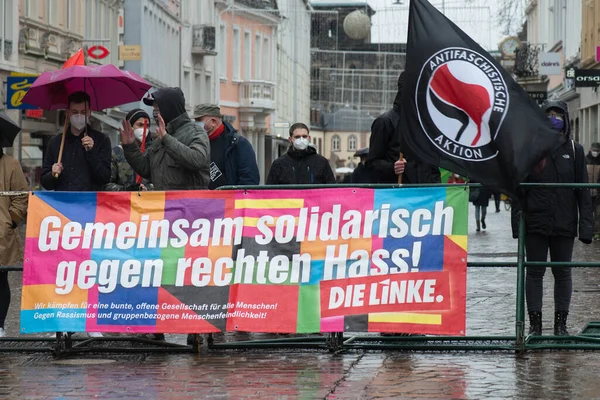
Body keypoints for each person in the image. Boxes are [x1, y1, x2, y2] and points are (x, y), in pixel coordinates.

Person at [512, 100, 592, 336]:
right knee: (534, 272)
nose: (554, 119)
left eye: (558, 115)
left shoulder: (576, 151)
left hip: (564, 222)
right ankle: (535, 326)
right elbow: (518, 189)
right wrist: (518, 224)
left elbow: (583, 191)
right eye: (549, 115)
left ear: (566, 120)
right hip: (535, 221)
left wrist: (585, 228)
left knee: (562, 272)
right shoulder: (530, 148)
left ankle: (560, 326)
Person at [121, 87, 211, 190]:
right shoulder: (162, 137)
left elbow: (197, 159)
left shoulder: (195, 132)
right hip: (165, 202)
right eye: (154, 109)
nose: (154, 113)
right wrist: (130, 147)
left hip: (189, 203)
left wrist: (166, 138)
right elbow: (146, 168)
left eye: (157, 108)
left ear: (169, 108)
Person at [367, 72, 441, 185]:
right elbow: (371, 164)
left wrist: (436, 187)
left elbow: (432, 165)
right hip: (397, 195)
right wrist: (392, 168)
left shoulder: (424, 124)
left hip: (426, 195)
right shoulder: (385, 122)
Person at [41, 91, 112, 191]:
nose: (79, 116)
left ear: (89, 112)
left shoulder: (102, 140)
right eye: (74, 112)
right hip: (63, 204)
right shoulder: (56, 142)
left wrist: (91, 152)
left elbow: (104, 178)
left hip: (89, 204)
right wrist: (52, 174)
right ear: (68, 112)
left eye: (83, 112)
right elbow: (45, 184)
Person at [193, 104, 259, 188]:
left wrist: (233, 197)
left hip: (229, 200)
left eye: (199, 120)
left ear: (213, 121)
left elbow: (249, 179)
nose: (196, 124)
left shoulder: (238, 144)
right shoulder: (197, 142)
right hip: (201, 199)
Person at [0, 150, 29, 338]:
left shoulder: (10, 164)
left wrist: (10, 220)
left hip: (2, 233)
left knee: (0, 280)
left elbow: (21, 195)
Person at [266, 123, 335, 185]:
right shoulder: (279, 164)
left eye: (304, 136)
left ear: (309, 138)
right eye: (297, 137)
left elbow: (331, 188)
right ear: (290, 139)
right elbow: (270, 191)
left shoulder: (321, 162)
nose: (301, 139)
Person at [106, 109, 152, 191]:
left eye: (147, 126)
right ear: (130, 126)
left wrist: (147, 189)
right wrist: (126, 190)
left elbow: (161, 181)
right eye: (139, 125)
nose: (144, 129)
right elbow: (107, 184)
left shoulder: (153, 151)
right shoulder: (117, 152)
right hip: (124, 201)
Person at [586, 142, 600, 238]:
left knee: (598, 214)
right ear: (590, 149)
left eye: (597, 151)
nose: (595, 152)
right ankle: (587, 231)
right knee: (588, 213)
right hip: (586, 191)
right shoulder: (585, 159)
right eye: (594, 150)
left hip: (598, 193)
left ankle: (596, 233)